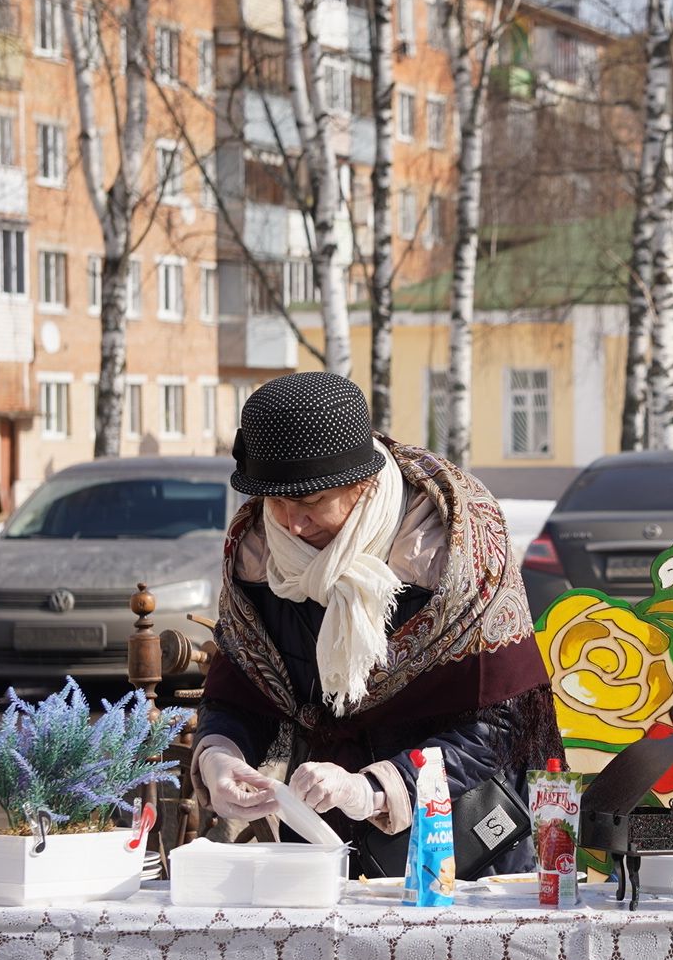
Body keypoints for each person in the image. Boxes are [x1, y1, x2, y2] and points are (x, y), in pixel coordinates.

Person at [190, 372, 561, 877]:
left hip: (459, 843)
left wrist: (376, 788)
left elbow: (498, 728)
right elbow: (243, 692)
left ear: (363, 486)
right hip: (324, 836)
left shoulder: (456, 550)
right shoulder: (256, 556)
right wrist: (220, 755)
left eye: (310, 504)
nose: (291, 524)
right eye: (274, 502)